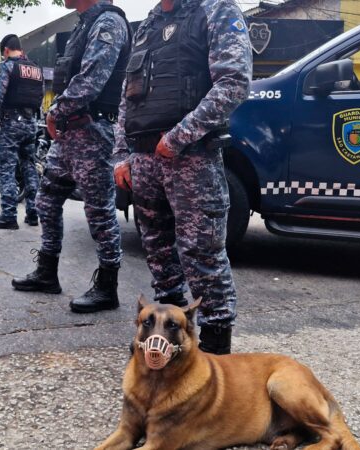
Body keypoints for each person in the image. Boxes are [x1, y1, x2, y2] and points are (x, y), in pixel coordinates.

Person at [112, 0, 252, 354]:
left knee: (201, 254)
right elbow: (126, 98)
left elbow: (234, 82)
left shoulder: (216, 9)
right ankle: (167, 336)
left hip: (192, 157)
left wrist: (178, 137)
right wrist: (121, 155)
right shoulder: (147, 25)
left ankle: (216, 346)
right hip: (144, 158)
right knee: (157, 252)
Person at [11, 0, 131, 313]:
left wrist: (55, 111)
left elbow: (92, 79)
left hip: (94, 130)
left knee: (99, 212)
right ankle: (47, 272)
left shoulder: (108, 22)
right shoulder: (84, 24)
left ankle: (107, 287)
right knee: (46, 201)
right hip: (70, 133)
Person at [0, 34, 43, 230]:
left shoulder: (7, 66)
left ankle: (9, 214)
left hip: (11, 124)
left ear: (6, 51)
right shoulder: (36, 68)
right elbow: (39, 97)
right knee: (29, 166)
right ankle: (33, 212)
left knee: (6, 168)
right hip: (31, 123)